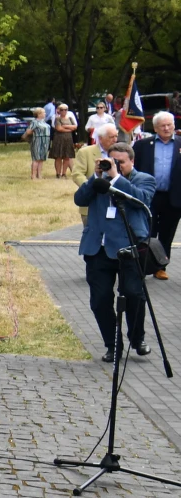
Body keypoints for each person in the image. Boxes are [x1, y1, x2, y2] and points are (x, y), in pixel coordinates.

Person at [75, 142, 156, 361]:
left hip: (129, 247)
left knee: (133, 294)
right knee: (100, 300)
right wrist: (95, 177)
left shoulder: (143, 179)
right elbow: (79, 199)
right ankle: (112, 345)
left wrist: (116, 178)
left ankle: (137, 338)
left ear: (132, 161)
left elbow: (143, 200)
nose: (115, 166)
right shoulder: (99, 182)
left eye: (120, 162)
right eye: (112, 161)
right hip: (98, 249)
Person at [134, 111, 181, 275]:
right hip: (149, 196)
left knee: (167, 234)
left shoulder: (180, 144)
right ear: (155, 128)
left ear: (174, 126)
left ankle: (161, 267)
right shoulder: (142, 145)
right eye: (163, 125)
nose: (167, 128)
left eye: (170, 125)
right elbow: (135, 169)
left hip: (173, 197)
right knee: (147, 232)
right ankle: (144, 265)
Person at [72, 123, 119, 226]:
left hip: (115, 203)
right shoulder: (85, 152)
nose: (115, 140)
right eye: (111, 137)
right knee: (91, 238)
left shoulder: (121, 152)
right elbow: (77, 174)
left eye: (116, 136)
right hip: (92, 203)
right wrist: (91, 186)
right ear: (100, 138)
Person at [50, 103, 77, 178]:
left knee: (67, 156)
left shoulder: (70, 118)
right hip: (59, 139)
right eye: (62, 110)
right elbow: (58, 128)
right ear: (59, 111)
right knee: (58, 156)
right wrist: (69, 129)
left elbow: (75, 127)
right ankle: (58, 173)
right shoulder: (57, 118)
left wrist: (65, 126)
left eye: (65, 110)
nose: (64, 111)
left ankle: (64, 173)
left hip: (68, 139)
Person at [24, 107, 52, 179]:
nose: (45, 114)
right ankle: (33, 175)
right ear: (39, 114)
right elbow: (28, 131)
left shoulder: (43, 122)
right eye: (43, 112)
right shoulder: (34, 122)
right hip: (38, 140)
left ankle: (39, 175)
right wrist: (35, 133)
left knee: (41, 158)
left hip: (45, 141)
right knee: (36, 158)